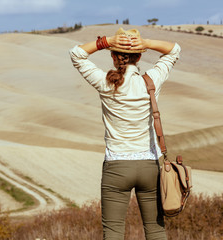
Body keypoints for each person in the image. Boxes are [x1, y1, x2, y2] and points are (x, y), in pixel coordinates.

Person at [69, 28, 181, 240]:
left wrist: (107, 41)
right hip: (149, 166)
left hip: (116, 167)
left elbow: (76, 54)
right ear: (139, 56)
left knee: (113, 234)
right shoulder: (151, 81)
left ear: (113, 57)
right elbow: (174, 50)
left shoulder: (105, 83)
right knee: (156, 231)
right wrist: (145, 42)